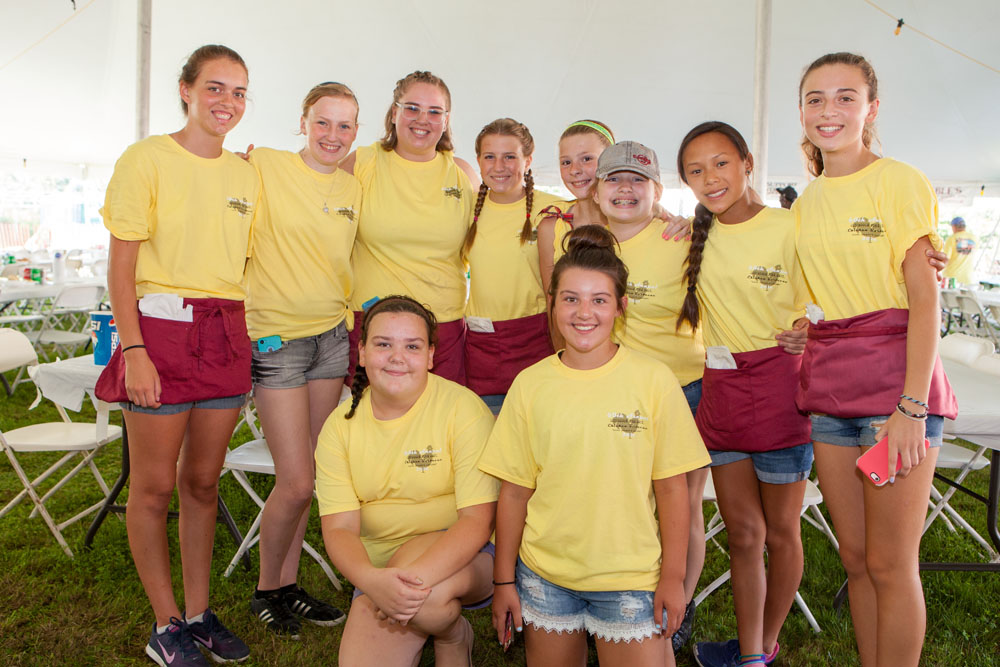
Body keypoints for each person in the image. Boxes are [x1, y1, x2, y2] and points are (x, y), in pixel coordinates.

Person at [480, 225, 711, 667]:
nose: (583, 312)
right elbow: (513, 491)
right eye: (570, 298)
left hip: (631, 579)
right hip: (545, 577)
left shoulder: (654, 381)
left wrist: (674, 579)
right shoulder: (529, 385)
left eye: (599, 300)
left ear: (620, 307)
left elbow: (672, 490)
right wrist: (504, 581)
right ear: (552, 304)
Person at [96, 45, 259, 666]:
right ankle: (165, 625)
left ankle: (197, 612)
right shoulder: (145, 159)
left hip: (226, 333)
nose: (228, 103)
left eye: (240, 92)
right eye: (216, 88)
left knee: (202, 482)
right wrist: (132, 349)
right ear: (185, 90)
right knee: (155, 486)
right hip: (158, 334)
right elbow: (122, 267)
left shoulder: (247, 174)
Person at [794, 52, 958, 667]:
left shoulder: (899, 181)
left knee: (892, 563)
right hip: (832, 396)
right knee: (856, 559)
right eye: (815, 98)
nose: (828, 110)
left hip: (896, 395)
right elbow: (824, 295)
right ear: (802, 111)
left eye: (844, 97)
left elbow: (924, 299)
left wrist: (912, 407)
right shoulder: (808, 200)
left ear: (871, 108)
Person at [674, 122, 812, 667]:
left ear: (748, 162)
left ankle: (766, 642)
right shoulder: (687, 237)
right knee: (743, 533)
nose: (711, 178)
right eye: (696, 170)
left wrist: (807, 324)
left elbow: (822, 296)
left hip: (782, 390)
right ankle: (750, 653)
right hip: (723, 394)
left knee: (781, 531)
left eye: (721, 163)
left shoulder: (790, 225)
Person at [316, 295, 498, 666]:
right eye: (384, 344)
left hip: (469, 558)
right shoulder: (338, 428)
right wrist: (373, 582)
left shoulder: (463, 409)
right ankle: (451, 629)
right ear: (362, 353)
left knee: (427, 598)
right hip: (380, 571)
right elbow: (339, 530)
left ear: (431, 356)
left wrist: (403, 588)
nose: (397, 357)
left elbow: (478, 522)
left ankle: (448, 637)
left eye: (412, 346)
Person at [242, 82, 362, 636]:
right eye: (323, 122)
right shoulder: (263, 165)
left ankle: (287, 585)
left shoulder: (352, 188)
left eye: (344, 125)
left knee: (308, 476)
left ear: (356, 132)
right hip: (277, 341)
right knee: (293, 481)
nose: (332, 135)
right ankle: (266, 590)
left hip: (332, 340)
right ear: (303, 121)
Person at [339, 71, 479, 385]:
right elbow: (310, 196)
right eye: (412, 108)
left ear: (446, 120)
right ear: (394, 113)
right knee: (372, 427)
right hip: (374, 325)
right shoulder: (361, 163)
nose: (422, 119)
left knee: (439, 430)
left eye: (434, 112)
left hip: (443, 329)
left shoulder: (464, 175)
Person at [462, 118, 563, 413]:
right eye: (489, 156)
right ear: (478, 161)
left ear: (528, 160)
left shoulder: (555, 208)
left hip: (536, 340)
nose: (499, 166)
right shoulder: (464, 207)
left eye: (510, 156)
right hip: (481, 346)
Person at [942, 216, 979, 286]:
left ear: (954, 227)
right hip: (968, 278)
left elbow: (945, 259)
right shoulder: (974, 238)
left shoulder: (951, 238)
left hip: (951, 278)